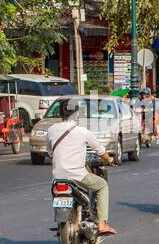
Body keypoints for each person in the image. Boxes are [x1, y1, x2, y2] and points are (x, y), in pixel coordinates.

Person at [45, 99, 117, 235]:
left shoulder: (51, 130)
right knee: (102, 185)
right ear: (76, 114)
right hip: (78, 176)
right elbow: (100, 150)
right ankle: (102, 224)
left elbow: (49, 152)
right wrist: (109, 159)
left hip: (58, 177)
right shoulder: (82, 131)